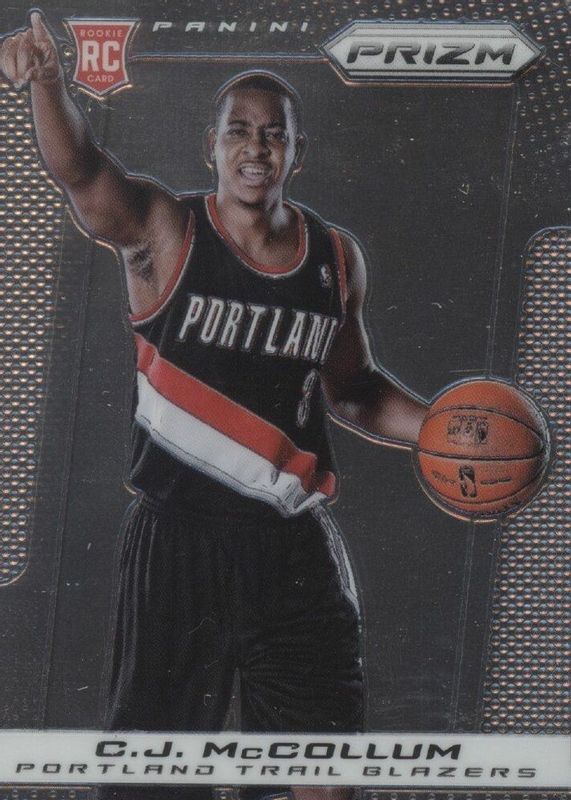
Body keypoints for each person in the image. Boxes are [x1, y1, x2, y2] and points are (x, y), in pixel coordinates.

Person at [0, 11, 428, 800]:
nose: (255, 148)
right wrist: (50, 84)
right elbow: (82, 172)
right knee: (154, 781)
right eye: (239, 131)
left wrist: (438, 431)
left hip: (291, 547)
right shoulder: (166, 230)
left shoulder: (335, 258)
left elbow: (355, 390)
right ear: (211, 146)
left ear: (297, 151)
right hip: (179, 542)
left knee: (324, 777)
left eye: (273, 134)